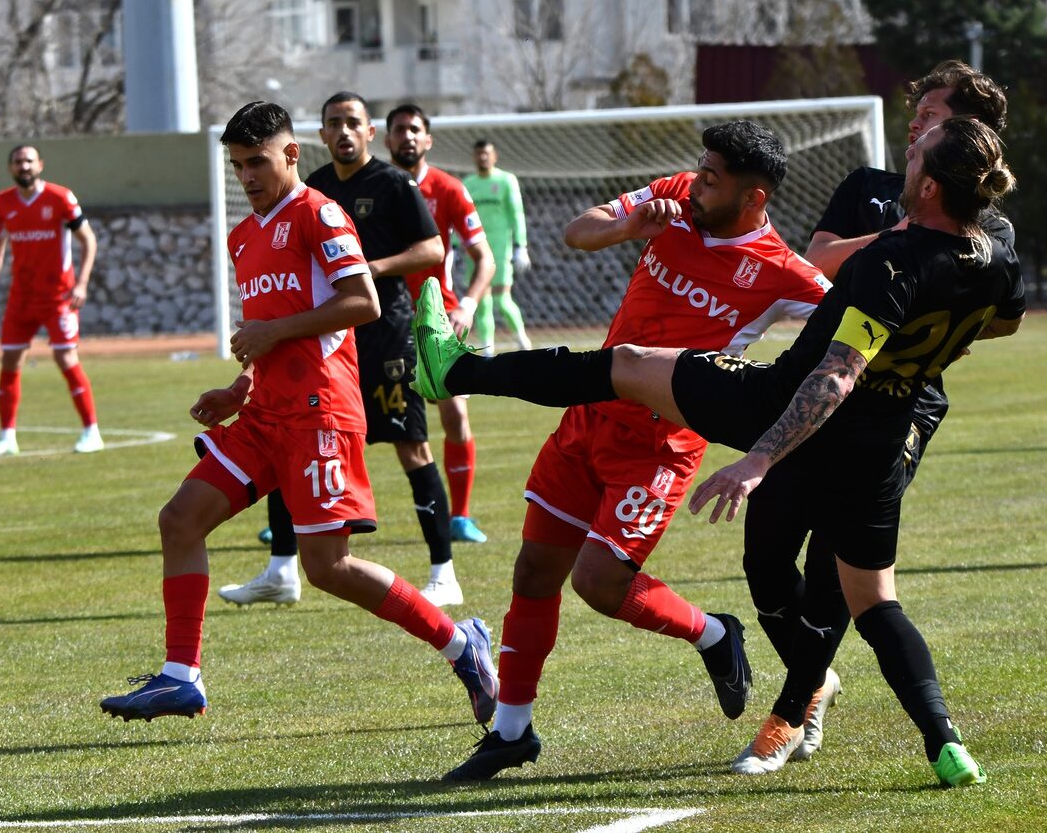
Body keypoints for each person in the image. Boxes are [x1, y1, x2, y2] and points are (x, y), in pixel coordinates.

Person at [413, 116, 1023, 787]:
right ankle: (945, 744)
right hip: (829, 442)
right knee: (874, 603)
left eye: (915, 159)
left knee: (620, 396)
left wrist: (762, 455)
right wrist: (629, 224)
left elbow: (838, 363)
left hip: (716, 423)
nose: (900, 169)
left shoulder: (852, 265)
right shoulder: (994, 263)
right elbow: (994, 321)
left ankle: (458, 371)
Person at [430, 120, 832, 781]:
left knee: (598, 583)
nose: (697, 184)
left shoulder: (781, 273)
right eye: (698, 170)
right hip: (587, 416)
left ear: (754, 197)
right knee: (534, 572)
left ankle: (713, 633)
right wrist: (629, 224)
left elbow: (844, 329)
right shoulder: (674, 198)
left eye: (713, 177)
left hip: (658, 446)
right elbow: (577, 229)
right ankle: (511, 730)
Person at [99, 101, 497, 726]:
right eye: (237, 165)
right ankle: (181, 677)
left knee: (328, 569)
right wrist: (240, 386)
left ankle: (460, 644)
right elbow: (268, 335)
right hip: (264, 415)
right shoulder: (244, 235)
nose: (247, 176)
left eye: (257, 161)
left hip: (321, 413)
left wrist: (272, 333)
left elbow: (363, 302)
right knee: (179, 520)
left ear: (291, 155)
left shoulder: (320, 212)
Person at [740, 60, 1009, 763]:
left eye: (935, 114)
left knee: (841, 566)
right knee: (765, 554)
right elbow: (821, 258)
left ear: (970, 132)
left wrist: (931, 325)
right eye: (918, 111)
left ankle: (791, 711)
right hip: (817, 392)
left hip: (899, 408)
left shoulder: (990, 228)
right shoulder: (870, 190)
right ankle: (818, 683)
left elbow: (1000, 316)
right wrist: (900, 246)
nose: (917, 121)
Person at [217, 92, 466, 608]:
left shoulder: (393, 183)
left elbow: (434, 250)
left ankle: (443, 571)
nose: (344, 131)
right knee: (289, 444)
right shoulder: (304, 193)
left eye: (353, 122)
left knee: (411, 448)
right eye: (334, 123)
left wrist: (367, 270)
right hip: (312, 342)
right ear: (320, 136)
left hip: (386, 332)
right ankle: (282, 569)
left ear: (369, 131)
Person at [386, 103, 497, 544]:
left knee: (453, 413)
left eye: (415, 129)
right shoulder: (374, 188)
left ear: (428, 140)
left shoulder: (449, 189)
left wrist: (467, 305)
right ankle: (298, 519)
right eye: (399, 130)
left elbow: (483, 257)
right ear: (387, 138)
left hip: (437, 318)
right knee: (344, 414)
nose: (407, 136)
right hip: (378, 318)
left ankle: (460, 517)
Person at [0, 144, 102, 456]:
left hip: (58, 296)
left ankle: (91, 431)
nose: (24, 166)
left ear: (40, 165)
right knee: (9, 362)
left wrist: (82, 284)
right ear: (11, 168)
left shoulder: (60, 198)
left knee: (66, 359)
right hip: (21, 298)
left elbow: (88, 240)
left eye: (29, 161)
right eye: (18, 162)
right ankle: (6, 437)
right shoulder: (3, 202)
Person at [462, 139, 532, 352]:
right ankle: (487, 349)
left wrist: (521, 246)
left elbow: (516, 214)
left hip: (501, 250)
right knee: (482, 302)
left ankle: (522, 339)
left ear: (494, 156)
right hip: (474, 251)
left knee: (502, 299)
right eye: (479, 154)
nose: (483, 157)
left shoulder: (506, 181)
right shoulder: (468, 183)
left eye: (487, 153)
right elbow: (462, 219)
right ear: (474, 157)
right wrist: (455, 246)